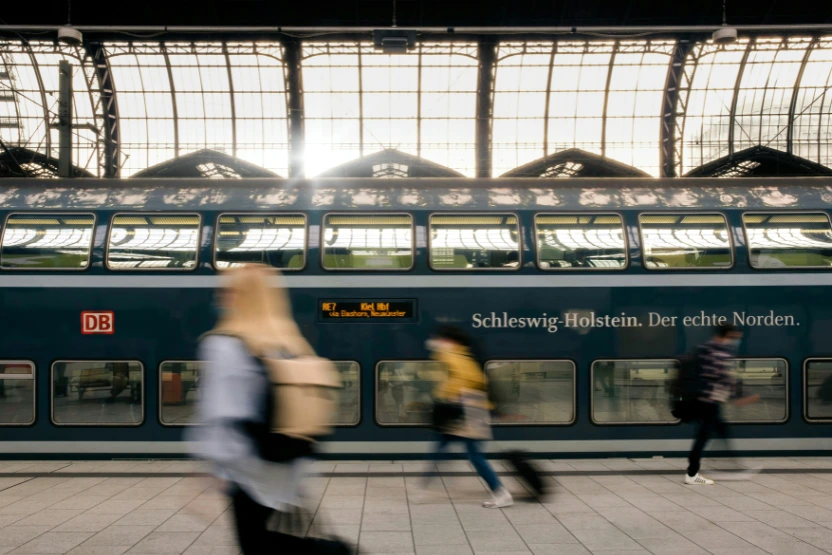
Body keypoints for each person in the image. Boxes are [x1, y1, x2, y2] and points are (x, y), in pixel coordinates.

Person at [190, 265, 320, 554]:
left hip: (248, 475)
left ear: (237, 296)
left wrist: (212, 469)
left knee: (255, 545)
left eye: (225, 291)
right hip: (287, 470)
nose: (220, 297)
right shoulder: (290, 342)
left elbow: (222, 411)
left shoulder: (225, 344)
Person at [425, 325, 513, 509]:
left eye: (441, 339)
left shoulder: (453, 356)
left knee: (474, 455)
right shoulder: (462, 355)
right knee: (442, 443)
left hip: (471, 408)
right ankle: (424, 485)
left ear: (450, 341)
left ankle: (501, 493)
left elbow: (470, 380)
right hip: (469, 407)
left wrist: (449, 396)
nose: (437, 342)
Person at [685, 323, 743, 485]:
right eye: (736, 337)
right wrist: (740, 395)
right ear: (729, 334)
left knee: (719, 430)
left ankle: (733, 464)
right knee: (703, 436)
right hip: (710, 400)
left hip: (701, 399)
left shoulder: (704, 348)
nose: (737, 341)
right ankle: (692, 473)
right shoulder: (721, 353)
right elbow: (726, 377)